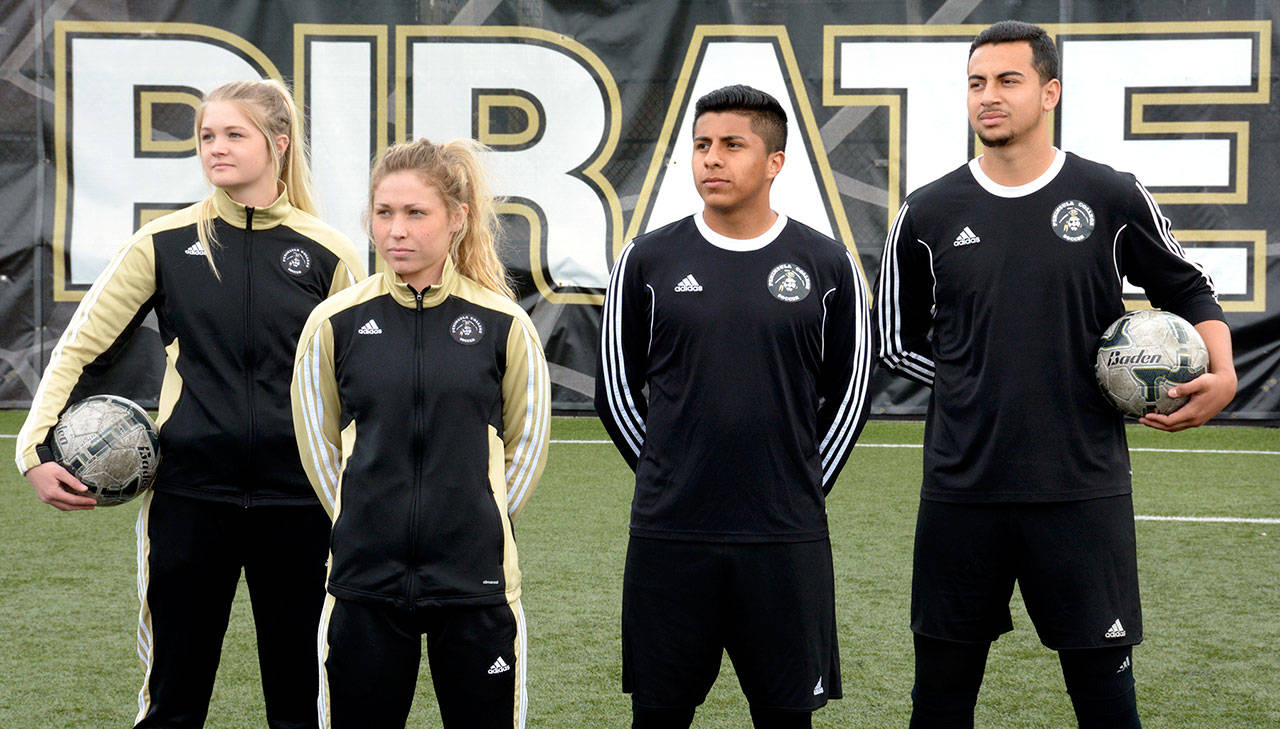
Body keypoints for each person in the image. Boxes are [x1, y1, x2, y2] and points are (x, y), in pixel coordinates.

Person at [875, 20, 1237, 729]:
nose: (989, 97)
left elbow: (1190, 290)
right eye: (977, 83)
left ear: (1050, 91)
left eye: (1008, 80)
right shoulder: (928, 211)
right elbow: (898, 339)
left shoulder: (1109, 195)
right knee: (941, 699)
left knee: (1106, 701)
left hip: (1080, 487)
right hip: (962, 490)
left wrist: (1222, 372)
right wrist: (980, 383)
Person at [14, 79, 364, 728]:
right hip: (189, 499)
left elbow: (364, 382)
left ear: (278, 144)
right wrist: (34, 449)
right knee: (173, 700)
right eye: (206, 136)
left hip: (303, 505)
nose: (216, 148)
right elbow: (79, 348)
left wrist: (357, 489)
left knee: (302, 701)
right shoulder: (164, 243)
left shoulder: (330, 252)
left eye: (235, 134)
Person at [595, 85, 874, 729]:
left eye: (731, 145)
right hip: (672, 536)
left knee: (785, 716)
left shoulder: (827, 264)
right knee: (658, 714)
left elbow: (851, 393)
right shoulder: (649, 259)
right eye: (700, 146)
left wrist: (799, 485)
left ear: (775, 162)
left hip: (784, 537)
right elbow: (615, 388)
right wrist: (671, 476)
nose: (710, 160)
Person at [291, 137, 550, 729]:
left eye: (415, 213)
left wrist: (475, 516)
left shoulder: (503, 323)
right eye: (384, 213)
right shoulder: (334, 322)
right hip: (364, 584)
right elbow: (317, 444)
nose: (396, 230)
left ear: (456, 219)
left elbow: (528, 445)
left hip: (475, 584)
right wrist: (364, 517)